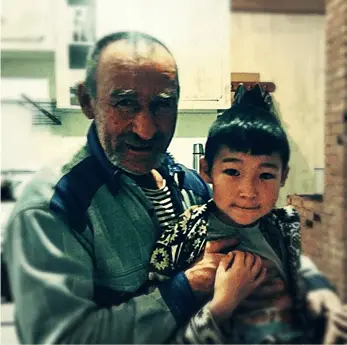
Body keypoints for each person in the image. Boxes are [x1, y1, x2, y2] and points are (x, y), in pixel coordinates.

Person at [2, 31, 340, 344]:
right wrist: (189, 288)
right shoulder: (54, 207)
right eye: (125, 103)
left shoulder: (188, 183)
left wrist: (315, 289)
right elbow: (62, 339)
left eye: (163, 103)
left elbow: (263, 233)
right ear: (88, 101)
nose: (147, 130)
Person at [148, 86, 346, 344]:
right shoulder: (185, 234)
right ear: (206, 170)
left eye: (265, 175)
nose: (249, 192)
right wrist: (221, 305)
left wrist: (322, 294)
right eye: (232, 172)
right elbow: (157, 329)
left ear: (283, 176)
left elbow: (308, 266)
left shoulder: (285, 226)